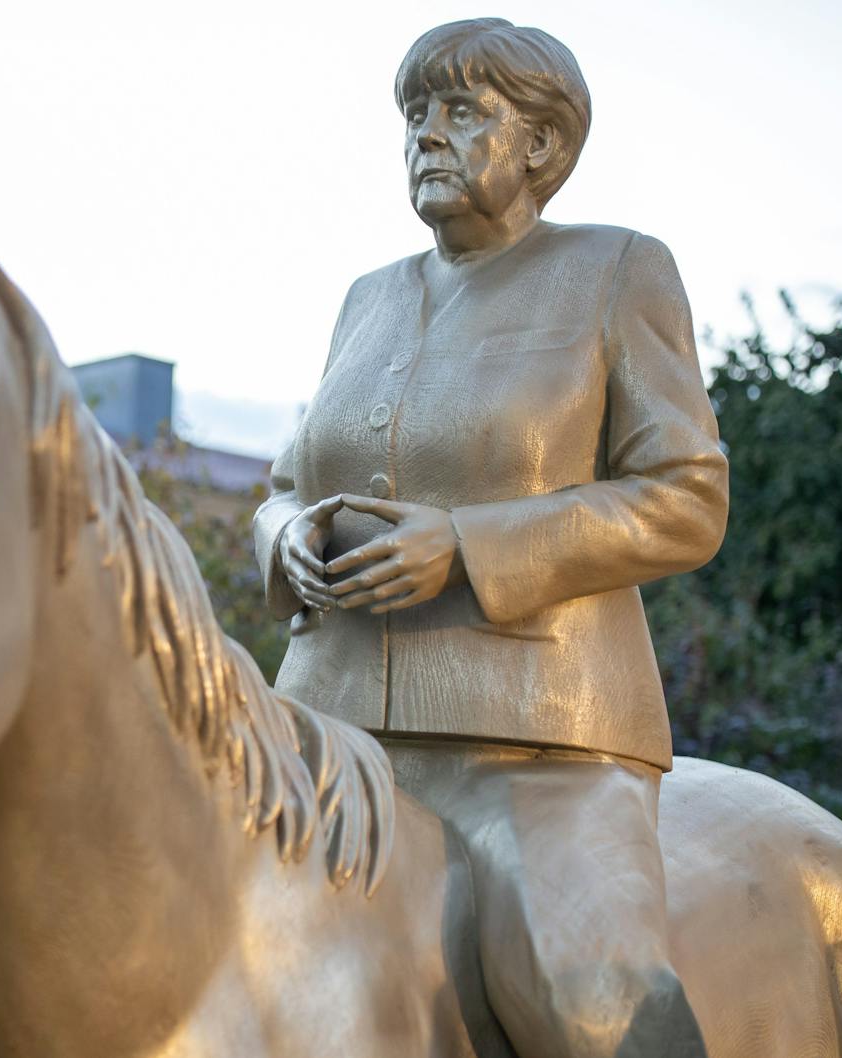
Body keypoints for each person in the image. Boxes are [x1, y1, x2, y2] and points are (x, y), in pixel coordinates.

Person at [252, 18, 726, 1057]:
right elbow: (284, 482)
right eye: (414, 114)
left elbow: (686, 498)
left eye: (461, 111)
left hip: (535, 742)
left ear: (542, 148)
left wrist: (465, 544)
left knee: (586, 997)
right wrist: (282, 536)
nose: (423, 134)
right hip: (317, 733)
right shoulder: (365, 298)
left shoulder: (617, 271)